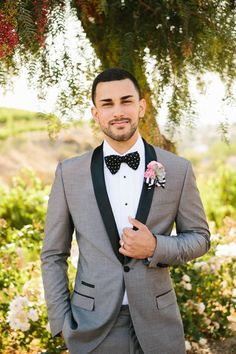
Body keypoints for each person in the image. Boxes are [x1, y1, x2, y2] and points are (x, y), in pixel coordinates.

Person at [41, 68, 210, 354]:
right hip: (92, 327)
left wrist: (155, 246)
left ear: (141, 107)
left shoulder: (178, 170)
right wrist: (60, 322)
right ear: (96, 114)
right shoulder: (69, 174)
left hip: (159, 326)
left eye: (126, 101)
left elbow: (200, 238)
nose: (118, 111)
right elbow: (53, 255)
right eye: (107, 104)